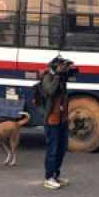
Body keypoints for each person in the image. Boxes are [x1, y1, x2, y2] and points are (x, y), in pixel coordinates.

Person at [37, 56, 75, 189]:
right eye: (60, 65)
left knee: (61, 148)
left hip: (62, 118)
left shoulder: (61, 77)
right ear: (54, 66)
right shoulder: (47, 77)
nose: (62, 68)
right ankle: (48, 177)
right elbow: (51, 91)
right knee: (52, 150)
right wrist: (57, 76)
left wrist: (65, 72)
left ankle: (56, 175)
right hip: (52, 119)